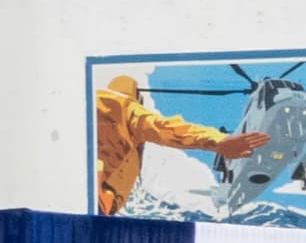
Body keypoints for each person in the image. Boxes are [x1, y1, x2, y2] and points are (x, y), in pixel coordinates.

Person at [92, 69, 267, 213]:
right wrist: (219, 141)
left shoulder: (90, 103)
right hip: (101, 196)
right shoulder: (126, 108)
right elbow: (171, 129)